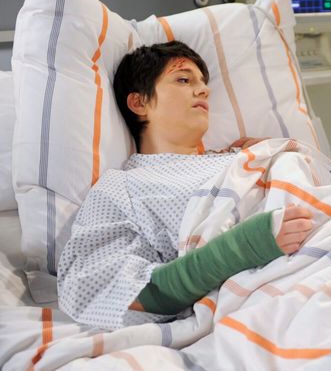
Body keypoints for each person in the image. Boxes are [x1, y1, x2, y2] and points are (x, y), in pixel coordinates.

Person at [57, 41, 314, 329]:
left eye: (203, 83)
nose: (204, 90)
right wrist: (245, 245)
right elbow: (94, 287)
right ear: (139, 103)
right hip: (281, 294)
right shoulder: (123, 187)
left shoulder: (243, 158)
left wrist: (275, 155)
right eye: (183, 80)